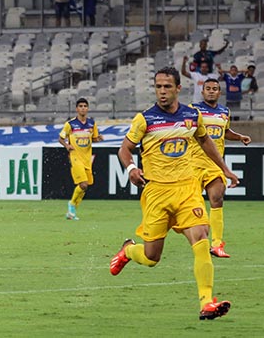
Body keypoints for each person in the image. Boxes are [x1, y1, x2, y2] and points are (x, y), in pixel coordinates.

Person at [110, 67, 239, 320]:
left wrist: (225, 169)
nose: (162, 91)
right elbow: (124, 150)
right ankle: (128, 251)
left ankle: (206, 302)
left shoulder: (192, 115)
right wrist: (132, 168)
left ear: (178, 88)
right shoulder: (145, 119)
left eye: (167, 86)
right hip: (156, 194)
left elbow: (205, 142)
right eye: (158, 87)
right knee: (151, 257)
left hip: (187, 191)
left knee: (201, 238)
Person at [190, 78, 251, 258]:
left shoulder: (225, 112)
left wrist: (239, 137)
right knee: (192, 207)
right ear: (202, 92)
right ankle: (198, 237)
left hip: (215, 165)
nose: (210, 91)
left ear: (219, 93)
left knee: (217, 198)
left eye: (214, 89)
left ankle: (217, 244)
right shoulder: (194, 110)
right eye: (207, 88)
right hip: (193, 164)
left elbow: (225, 132)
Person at [58, 97, 103, 220]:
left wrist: (98, 139)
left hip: (87, 158)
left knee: (86, 185)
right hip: (75, 157)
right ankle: (71, 204)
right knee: (83, 184)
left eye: (85, 106)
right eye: (81, 106)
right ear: (77, 109)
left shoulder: (91, 124)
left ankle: (71, 213)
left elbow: (93, 138)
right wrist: (67, 145)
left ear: (87, 108)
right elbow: (60, 138)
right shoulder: (70, 124)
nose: (83, 108)